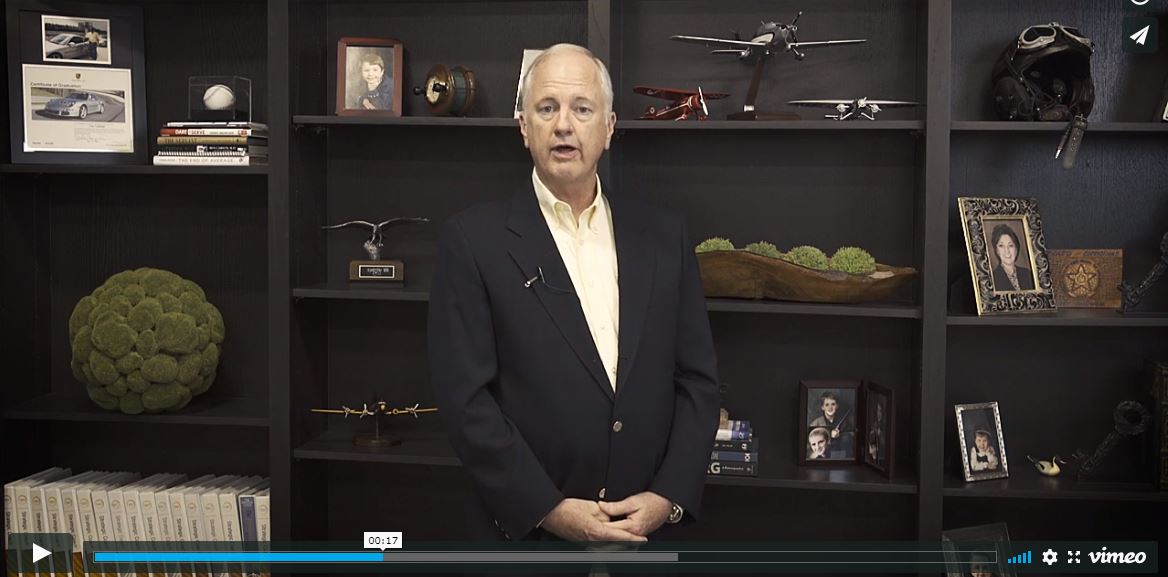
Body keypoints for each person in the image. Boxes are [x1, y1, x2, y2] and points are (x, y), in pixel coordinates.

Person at [428, 43, 721, 544]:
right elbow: (465, 402)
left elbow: (698, 380)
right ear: (524, 126)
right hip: (529, 540)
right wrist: (548, 509)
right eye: (547, 108)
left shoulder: (663, 235)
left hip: (647, 535)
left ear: (607, 128)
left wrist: (668, 496)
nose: (564, 125)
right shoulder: (472, 242)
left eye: (582, 109)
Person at [989, 224, 1033, 292]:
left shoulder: (1028, 274)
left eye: (1010, 245)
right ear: (997, 250)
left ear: (1016, 249)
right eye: (1001, 246)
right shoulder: (991, 279)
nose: (1007, 251)